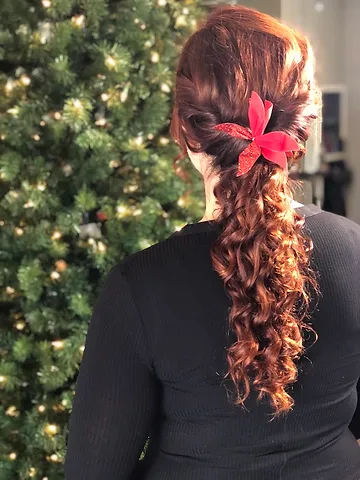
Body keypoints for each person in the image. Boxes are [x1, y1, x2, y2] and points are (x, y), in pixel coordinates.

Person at [64, 5, 360, 480]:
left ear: (186, 132)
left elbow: (93, 469)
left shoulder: (138, 288)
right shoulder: (355, 250)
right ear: (298, 129)